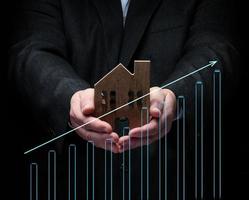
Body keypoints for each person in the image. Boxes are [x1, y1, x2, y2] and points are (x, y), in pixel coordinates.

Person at [8, 0, 239, 199]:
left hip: (173, 179)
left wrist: (175, 96)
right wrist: (70, 96)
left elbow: (216, 49)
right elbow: (32, 49)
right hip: (71, 180)